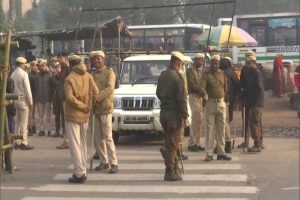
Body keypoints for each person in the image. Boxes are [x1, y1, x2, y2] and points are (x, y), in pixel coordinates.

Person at [64, 55, 99, 183]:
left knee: (75, 145)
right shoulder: (88, 76)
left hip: (73, 115)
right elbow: (95, 92)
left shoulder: (70, 78)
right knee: (83, 144)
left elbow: (69, 98)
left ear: (71, 64)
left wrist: (83, 106)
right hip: (85, 115)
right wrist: (89, 106)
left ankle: (78, 173)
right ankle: (82, 170)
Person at [156, 51, 189, 181]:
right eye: (180, 64)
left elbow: (158, 93)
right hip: (174, 115)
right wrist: (185, 116)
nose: (181, 66)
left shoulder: (163, 75)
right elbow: (182, 99)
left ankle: (175, 167)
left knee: (170, 141)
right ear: (178, 63)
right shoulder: (177, 77)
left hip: (164, 113)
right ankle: (169, 171)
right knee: (172, 144)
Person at [91, 51, 119, 174]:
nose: (96, 61)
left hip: (106, 108)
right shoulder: (92, 74)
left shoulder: (109, 72)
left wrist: (97, 98)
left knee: (108, 137)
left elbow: (109, 88)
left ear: (103, 59)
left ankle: (114, 163)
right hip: (95, 109)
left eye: (98, 59)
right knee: (98, 138)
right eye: (94, 59)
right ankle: (104, 162)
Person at [201, 54, 231, 161]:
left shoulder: (222, 74)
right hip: (210, 103)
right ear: (210, 64)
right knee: (210, 129)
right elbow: (202, 88)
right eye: (213, 63)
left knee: (221, 129)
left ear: (219, 64)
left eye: (217, 63)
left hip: (221, 104)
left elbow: (226, 87)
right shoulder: (206, 75)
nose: (215, 65)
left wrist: (224, 97)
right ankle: (209, 153)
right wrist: (204, 94)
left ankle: (221, 152)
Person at [241, 51, 265, 153]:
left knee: (253, 122)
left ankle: (257, 143)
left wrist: (247, 90)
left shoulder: (256, 73)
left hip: (256, 101)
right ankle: (259, 141)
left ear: (254, 62)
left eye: (249, 63)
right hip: (254, 101)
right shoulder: (249, 71)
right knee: (256, 122)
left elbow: (258, 88)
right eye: (247, 63)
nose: (248, 65)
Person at [10, 57, 34, 150]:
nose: (25, 65)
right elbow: (28, 90)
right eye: (24, 64)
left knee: (17, 122)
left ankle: (16, 141)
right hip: (23, 101)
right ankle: (24, 142)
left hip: (15, 101)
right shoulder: (24, 74)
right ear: (21, 64)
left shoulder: (13, 74)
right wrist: (30, 102)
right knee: (24, 123)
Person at [185, 53, 207, 152]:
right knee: (196, 119)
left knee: (199, 121)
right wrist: (203, 91)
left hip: (200, 97)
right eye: (200, 60)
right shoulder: (190, 70)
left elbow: (202, 84)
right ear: (195, 60)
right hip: (194, 96)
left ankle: (197, 142)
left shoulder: (199, 71)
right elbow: (193, 85)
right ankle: (191, 143)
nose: (202, 62)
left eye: (203, 60)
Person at [220, 56, 240, 153]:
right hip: (231, 99)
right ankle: (225, 143)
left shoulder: (223, 73)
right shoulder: (232, 72)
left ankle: (225, 143)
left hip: (225, 99)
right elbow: (237, 84)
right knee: (227, 120)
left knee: (223, 121)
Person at [56, 53, 71, 149]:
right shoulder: (64, 69)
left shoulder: (68, 70)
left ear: (66, 58)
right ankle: (67, 140)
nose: (59, 61)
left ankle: (67, 141)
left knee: (66, 120)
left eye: (61, 58)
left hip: (66, 98)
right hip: (63, 98)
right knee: (64, 120)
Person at [35, 59, 52, 136]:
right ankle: (41, 130)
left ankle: (49, 130)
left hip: (48, 98)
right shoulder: (37, 76)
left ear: (46, 66)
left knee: (48, 115)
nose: (43, 67)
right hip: (39, 98)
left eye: (44, 66)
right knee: (40, 116)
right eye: (41, 66)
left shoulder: (50, 75)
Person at [50, 62, 65, 137]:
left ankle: (64, 131)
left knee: (63, 115)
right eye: (55, 67)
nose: (57, 69)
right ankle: (57, 131)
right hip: (55, 97)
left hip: (62, 97)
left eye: (58, 67)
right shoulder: (53, 77)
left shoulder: (63, 76)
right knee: (56, 115)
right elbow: (51, 87)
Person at [28, 60, 38, 136]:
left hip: (37, 95)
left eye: (35, 66)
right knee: (31, 113)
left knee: (34, 113)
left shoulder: (38, 75)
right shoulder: (28, 75)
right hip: (32, 95)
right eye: (33, 66)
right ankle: (31, 127)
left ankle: (34, 126)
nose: (34, 67)